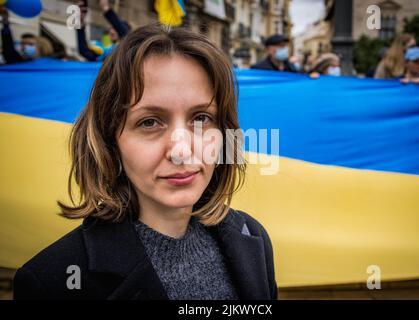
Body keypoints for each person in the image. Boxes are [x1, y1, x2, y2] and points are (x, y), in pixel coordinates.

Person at [13, 24, 277, 300]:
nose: (182, 150)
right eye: (149, 122)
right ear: (109, 140)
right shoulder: (50, 282)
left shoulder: (251, 239)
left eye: (201, 118)